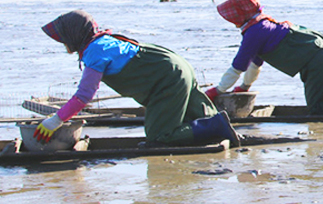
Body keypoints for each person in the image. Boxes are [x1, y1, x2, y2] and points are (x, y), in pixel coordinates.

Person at [37, 10, 239, 147]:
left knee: (158, 136)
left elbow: (84, 96)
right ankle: (218, 126)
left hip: (167, 78)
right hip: (177, 65)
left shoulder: (95, 52)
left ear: (73, 35)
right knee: (197, 116)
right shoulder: (106, 40)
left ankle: (216, 126)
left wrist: (54, 121)